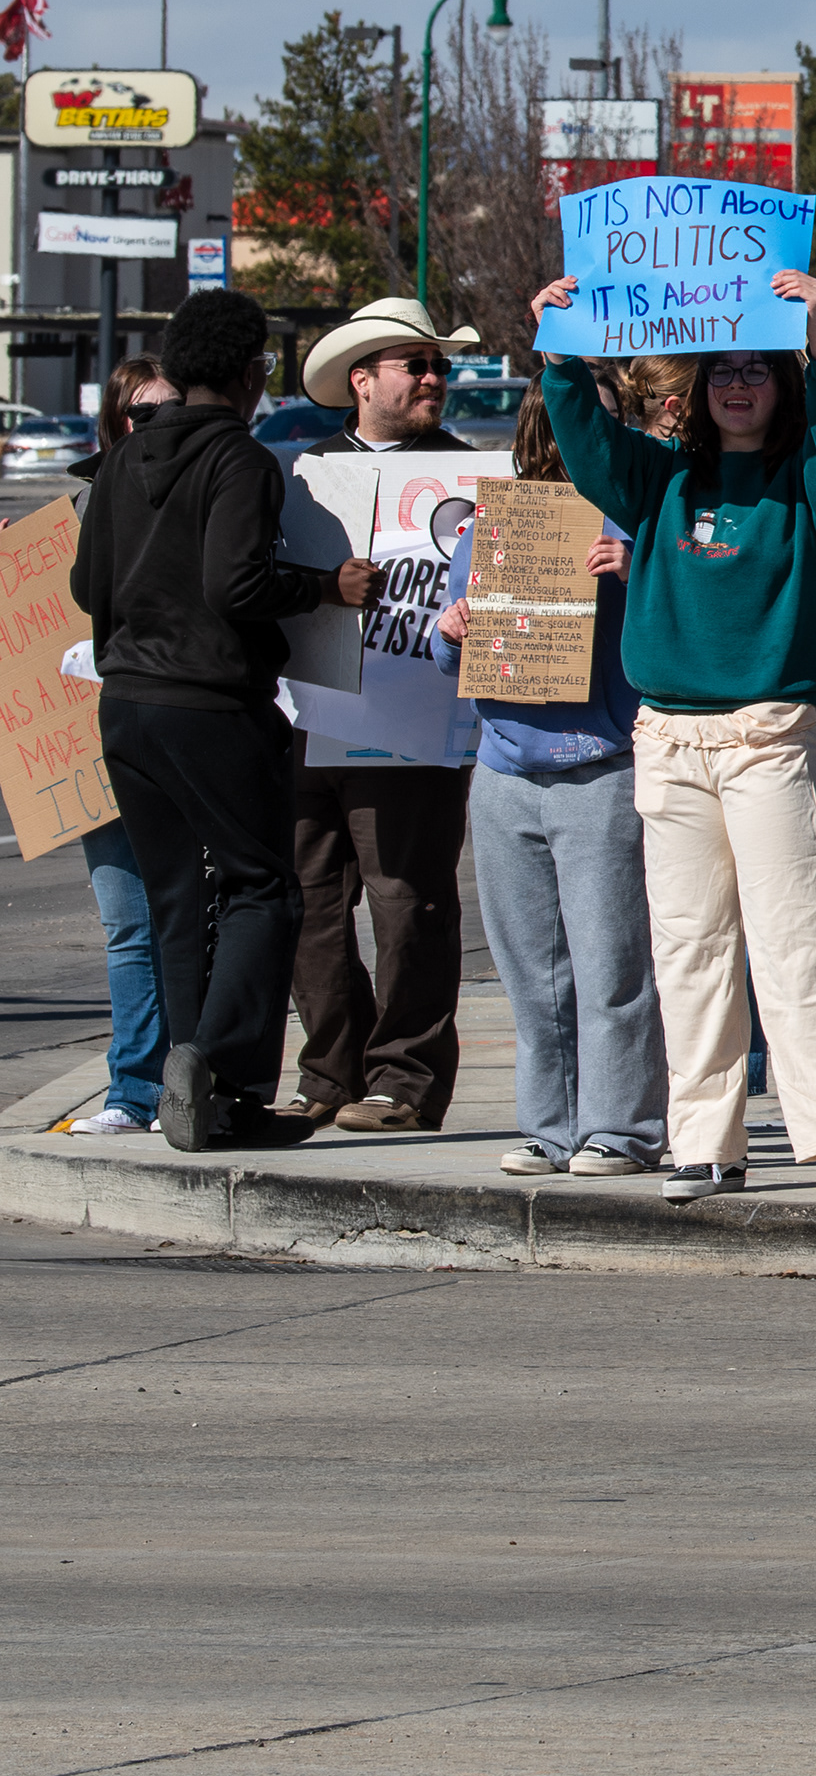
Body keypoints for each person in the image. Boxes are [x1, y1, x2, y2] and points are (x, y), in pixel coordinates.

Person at [533, 267, 816, 1204]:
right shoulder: (658, 478)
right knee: (688, 946)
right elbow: (582, 440)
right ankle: (705, 1142)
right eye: (720, 370)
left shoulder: (807, 485)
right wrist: (563, 352)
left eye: (757, 370)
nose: (737, 384)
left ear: (779, 384)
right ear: (696, 388)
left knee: (795, 936)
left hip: (768, 733)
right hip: (670, 737)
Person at [75, 290, 377, 1153]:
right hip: (210, 703)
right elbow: (236, 587)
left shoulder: (125, 461)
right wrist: (325, 588)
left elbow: (82, 589)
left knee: (176, 899)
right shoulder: (240, 461)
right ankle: (228, 1081)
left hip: (125, 704)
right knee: (262, 888)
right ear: (253, 377)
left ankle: (186, 1073)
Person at [428, 382, 663, 1179]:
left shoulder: (639, 517)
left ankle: (622, 1130)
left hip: (599, 773)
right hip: (502, 776)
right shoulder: (493, 530)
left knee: (611, 968)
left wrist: (636, 576)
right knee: (533, 973)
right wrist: (449, 630)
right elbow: (453, 649)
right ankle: (549, 1128)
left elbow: (677, 638)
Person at [282, 293, 487, 1133]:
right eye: (419, 363)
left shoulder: (474, 477)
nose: (436, 376)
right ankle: (331, 1070)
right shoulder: (301, 476)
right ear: (363, 380)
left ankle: (406, 1078)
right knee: (310, 907)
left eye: (442, 364)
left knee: (409, 905)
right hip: (307, 721)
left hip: (414, 728)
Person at [53, 356, 176, 1134]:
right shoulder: (69, 518)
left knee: (196, 922)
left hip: (186, 742)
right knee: (130, 925)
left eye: (170, 410)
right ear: (113, 426)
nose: (154, 425)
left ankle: (204, 1077)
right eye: (141, 413)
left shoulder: (206, 501)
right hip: (99, 755)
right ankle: (133, 1093)